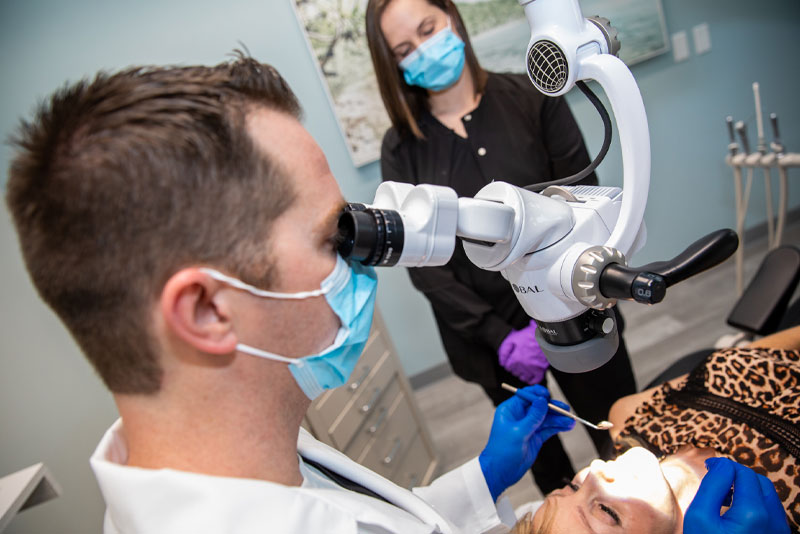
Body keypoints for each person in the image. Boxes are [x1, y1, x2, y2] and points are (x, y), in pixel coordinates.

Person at [5, 52, 782, 534]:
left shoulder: (218, 459)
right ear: (208, 310)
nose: (361, 263)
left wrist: (483, 477)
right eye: (330, 237)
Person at [365, 0, 637, 494]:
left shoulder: (533, 98)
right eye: (405, 48)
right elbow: (424, 264)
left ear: (452, 18)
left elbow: (584, 202)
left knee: (623, 437)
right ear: (393, 64)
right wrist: (500, 336)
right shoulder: (401, 148)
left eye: (428, 29)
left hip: (575, 309)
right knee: (544, 465)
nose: (424, 50)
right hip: (492, 344)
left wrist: (553, 310)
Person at [510, 325, 800, 533]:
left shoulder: (628, 418)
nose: (595, 470)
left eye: (571, 486)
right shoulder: (781, 514)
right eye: (606, 511)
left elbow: (752, 356)